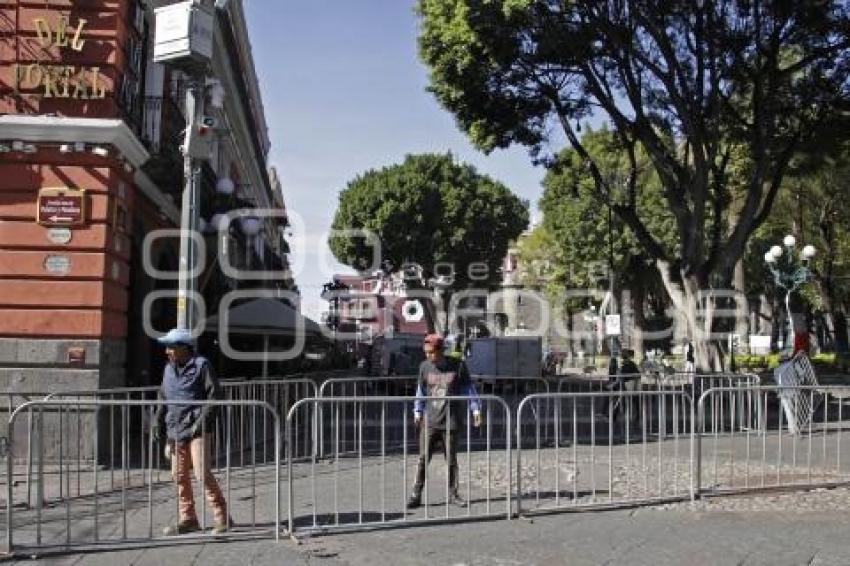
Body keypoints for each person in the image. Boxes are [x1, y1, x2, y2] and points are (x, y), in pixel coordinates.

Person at [151, 328, 229, 536]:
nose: (167, 351)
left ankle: (222, 516)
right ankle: (188, 518)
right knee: (178, 476)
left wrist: (202, 422)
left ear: (185, 348)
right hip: (175, 428)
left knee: (202, 473)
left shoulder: (202, 365)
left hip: (198, 428)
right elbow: (163, 396)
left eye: (172, 347)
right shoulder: (168, 369)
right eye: (167, 347)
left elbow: (215, 395)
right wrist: (156, 422)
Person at [407, 334, 482, 509]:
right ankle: (416, 494)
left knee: (451, 460)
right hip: (430, 421)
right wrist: (417, 411)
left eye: (431, 352)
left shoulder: (458, 366)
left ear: (440, 350)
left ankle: (453, 493)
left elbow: (468, 389)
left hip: (451, 421)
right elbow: (421, 391)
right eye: (425, 352)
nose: (427, 355)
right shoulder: (424, 367)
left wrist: (476, 408)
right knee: (423, 458)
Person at [599, 349, 641, 421]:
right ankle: (613, 415)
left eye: (623, 353)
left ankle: (613, 415)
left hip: (627, 384)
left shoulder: (629, 364)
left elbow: (624, 376)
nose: (621, 355)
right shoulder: (625, 364)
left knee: (622, 398)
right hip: (625, 384)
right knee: (621, 398)